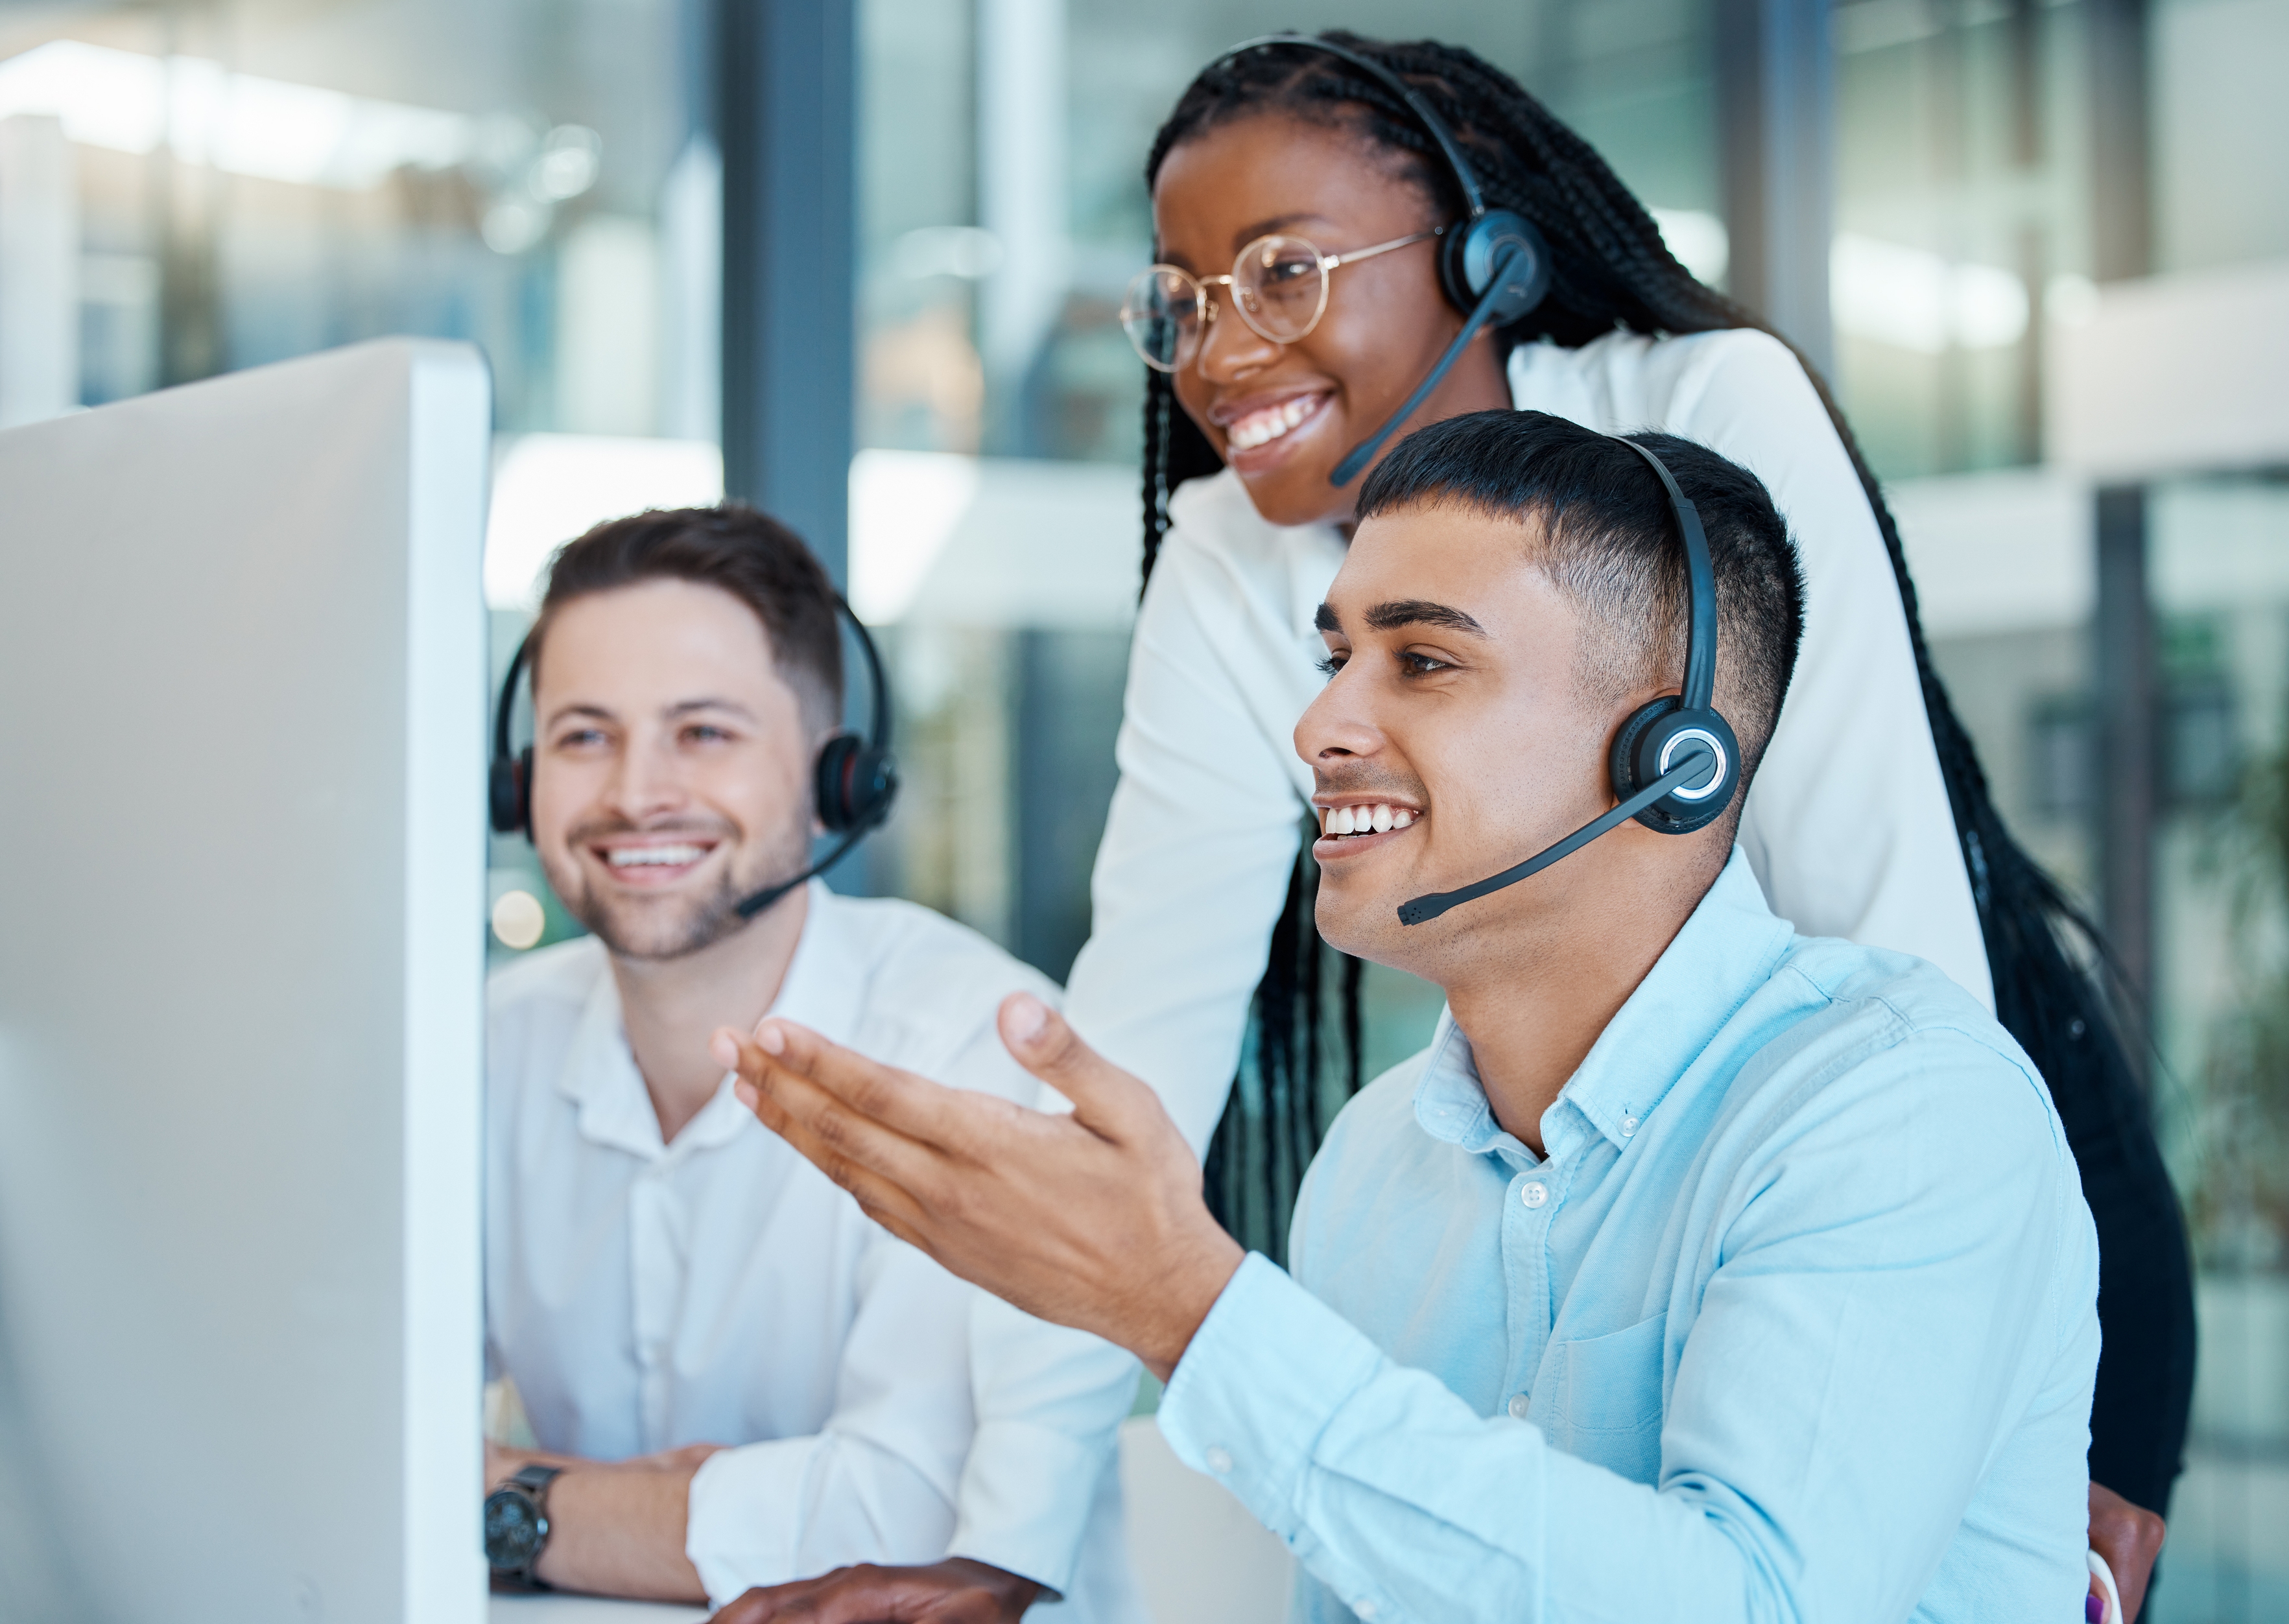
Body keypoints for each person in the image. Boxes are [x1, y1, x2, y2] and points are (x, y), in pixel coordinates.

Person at [1064, 30, 2184, 1589]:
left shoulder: (1708, 410)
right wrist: (989, 1546)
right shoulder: (1224, 561)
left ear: (1484, 253)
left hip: (1947, 1122)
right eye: (1182, 303)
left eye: (1284, 274)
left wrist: (1976, 1403)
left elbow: (1891, 923)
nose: (1220, 349)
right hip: (1614, 1148)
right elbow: (1139, 1041)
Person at [719, 414, 2105, 1621]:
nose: (1321, 723)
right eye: (1334, 656)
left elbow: (1750, 1606)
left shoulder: (1900, 1113)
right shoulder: (1379, 1162)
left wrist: (1189, 1313)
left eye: (1422, 663)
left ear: (1670, 762)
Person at [478, 505, 1139, 1622]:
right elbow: (341, 1439)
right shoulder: (490, 1046)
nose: (637, 792)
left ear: (839, 776)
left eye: (704, 733)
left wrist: (512, 1500)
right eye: (585, 735)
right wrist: (652, 1511)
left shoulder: (977, 1044)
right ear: (522, 778)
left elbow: (908, 1530)